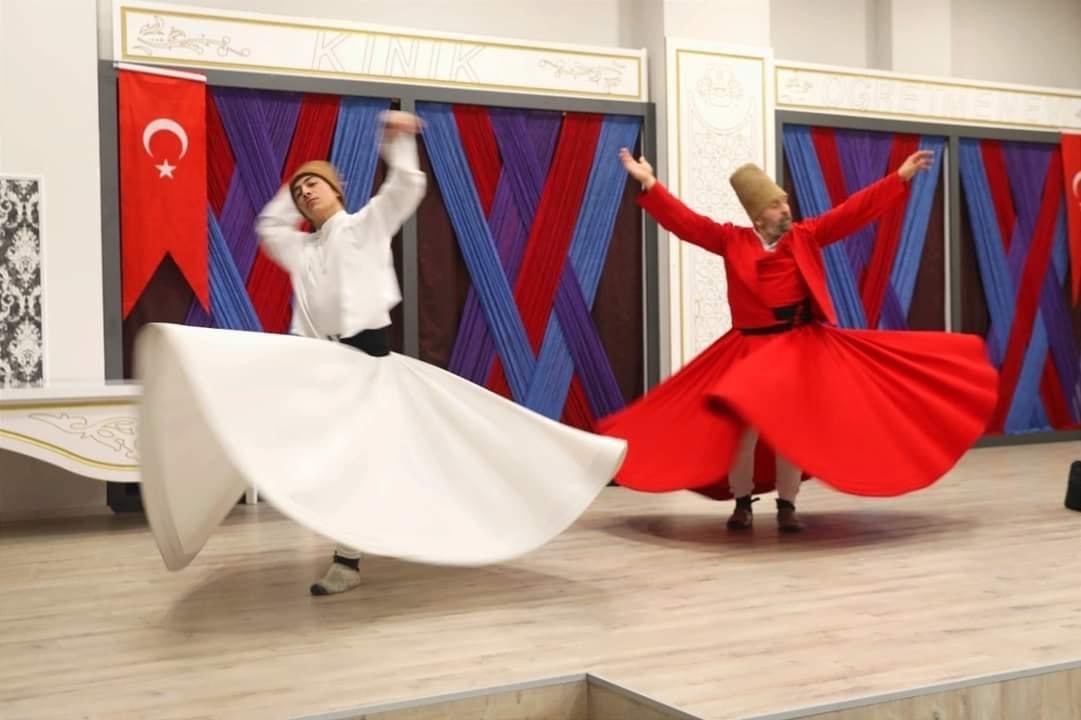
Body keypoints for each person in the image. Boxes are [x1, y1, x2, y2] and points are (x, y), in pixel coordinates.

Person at [134, 111, 626, 595]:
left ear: (338, 191)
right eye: (300, 191)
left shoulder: (364, 225)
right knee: (307, 440)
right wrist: (296, 181)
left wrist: (398, 143)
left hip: (367, 367)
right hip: (319, 367)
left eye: (315, 185)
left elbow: (405, 187)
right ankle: (348, 541)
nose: (306, 194)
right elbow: (268, 227)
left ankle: (349, 559)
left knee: (373, 460)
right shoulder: (301, 249)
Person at [598, 148, 998, 532]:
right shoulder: (731, 240)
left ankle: (787, 505)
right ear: (759, 215)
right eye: (776, 205)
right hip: (749, 350)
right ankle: (742, 504)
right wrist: (651, 184)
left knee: (792, 430)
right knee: (742, 433)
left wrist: (898, 178)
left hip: (794, 347)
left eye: (785, 202)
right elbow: (685, 222)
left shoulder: (805, 236)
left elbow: (851, 213)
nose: (785, 209)